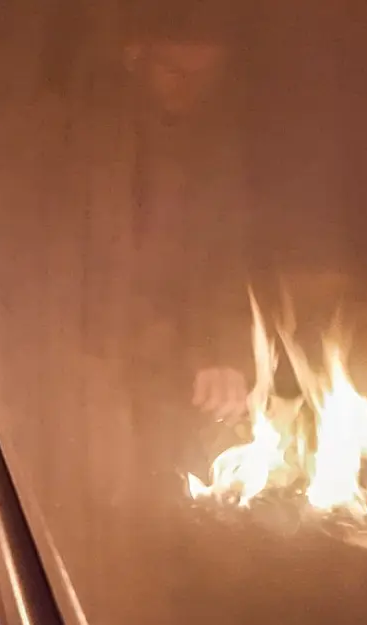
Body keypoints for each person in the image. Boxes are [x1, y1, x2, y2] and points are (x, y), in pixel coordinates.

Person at [118, 0, 253, 475]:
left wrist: (221, 350)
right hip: (101, 340)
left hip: (180, 337)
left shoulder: (215, 144)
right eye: (174, 71)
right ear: (135, 54)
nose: (191, 90)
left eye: (206, 75)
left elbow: (228, 255)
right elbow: (89, 274)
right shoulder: (89, 143)